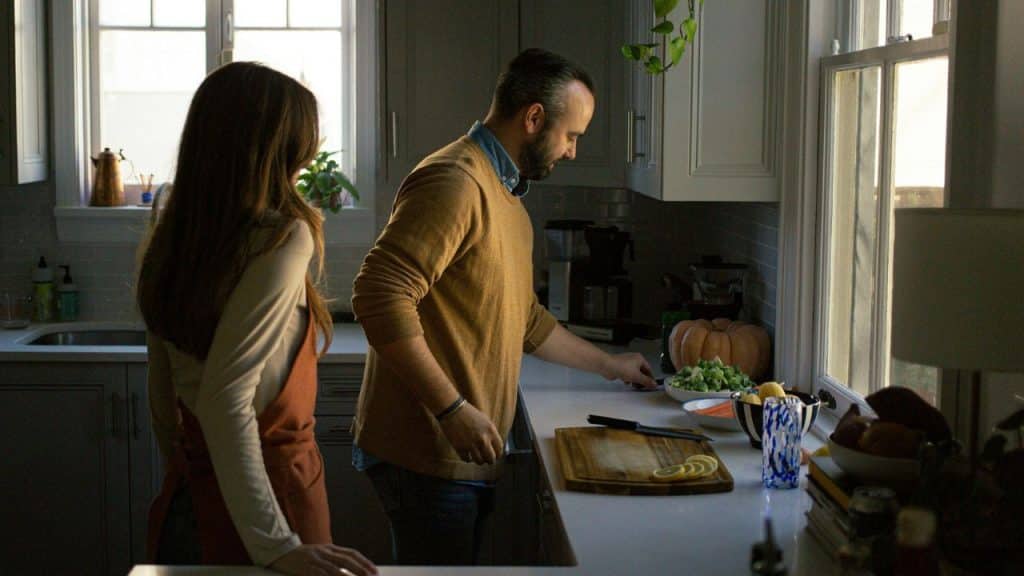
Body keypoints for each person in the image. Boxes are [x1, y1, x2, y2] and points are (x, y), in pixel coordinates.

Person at [350, 48, 657, 566]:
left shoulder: (504, 193)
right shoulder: (455, 181)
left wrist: (611, 365)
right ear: (533, 118)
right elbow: (379, 294)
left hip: (459, 451)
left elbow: (527, 321)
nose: (573, 152)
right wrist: (452, 410)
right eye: (571, 135)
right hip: (427, 452)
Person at [137, 61, 377, 576]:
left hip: (191, 499)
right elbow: (226, 397)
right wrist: (277, 545)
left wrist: (190, 478)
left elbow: (162, 399)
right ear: (276, 150)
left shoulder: (175, 235)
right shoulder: (282, 238)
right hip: (272, 504)